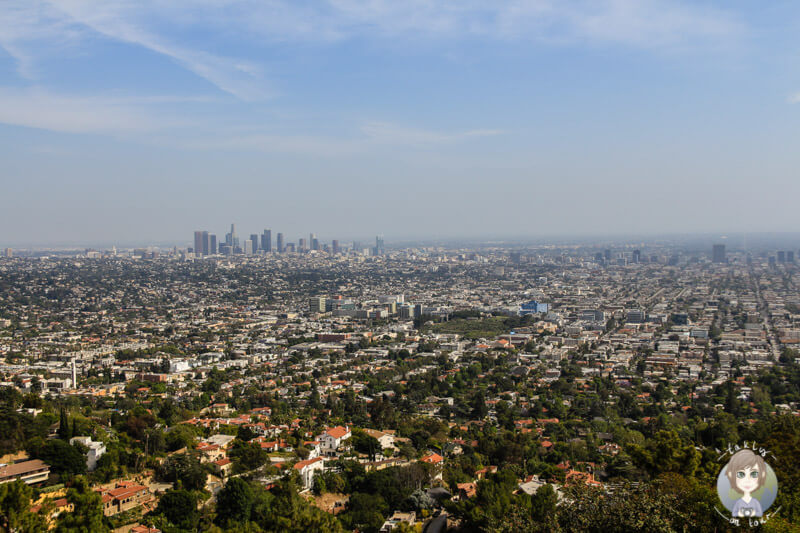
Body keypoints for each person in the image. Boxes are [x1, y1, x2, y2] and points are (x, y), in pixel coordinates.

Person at [725, 449, 766, 517]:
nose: (747, 480)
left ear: (762, 475)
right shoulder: (739, 502)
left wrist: (754, 514)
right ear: (731, 475)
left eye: (754, 474)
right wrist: (739, 514)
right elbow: (734, 514)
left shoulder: (755, 502)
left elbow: (760, 513)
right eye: (741, 474)